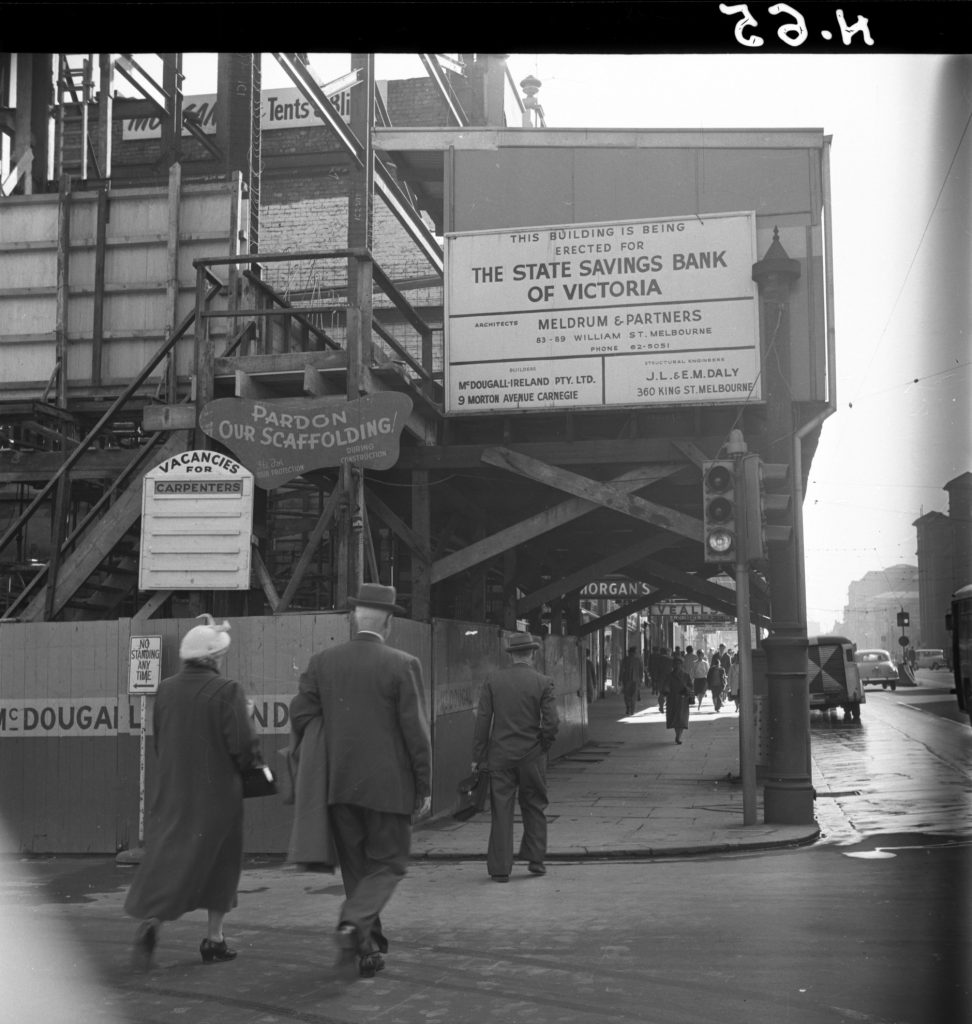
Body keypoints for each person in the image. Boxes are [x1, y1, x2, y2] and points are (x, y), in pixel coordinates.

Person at [290, 583, 432, 979]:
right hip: (389, 789)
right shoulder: (403, 664)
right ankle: (353, 924)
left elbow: (300, 715)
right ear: (388, 622)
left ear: (354, 619)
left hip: (339, 786)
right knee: (388, 863)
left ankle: (367, 948)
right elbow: (415, 734)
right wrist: (423, 785)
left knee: (356, 871)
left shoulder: (322, 662)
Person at [125, 615, 259, 969]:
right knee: (222, 863)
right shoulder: (228, 690)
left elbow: (160, 738)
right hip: (219, 796)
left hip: (174, 790)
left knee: (169, 857)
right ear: (214, 657)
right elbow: (243, 748)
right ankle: (214, 939)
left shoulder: (166, 689)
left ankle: (153, 920)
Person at [471, 632, 560, 882]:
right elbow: (552, 722)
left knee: (501, 810)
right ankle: (535, 859)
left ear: (511, 655)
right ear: (532, 653)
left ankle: (500, 868)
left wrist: (478, 756)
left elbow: (483, 721)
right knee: (534, 804)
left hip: (500, 756)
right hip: (532, 756)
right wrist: (543, 745)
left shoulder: (493, 681)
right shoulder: (543, 682)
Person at [662, 654, 695, 744]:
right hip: (672, 700)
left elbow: (691, 686)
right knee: (675, 719)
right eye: (675, 664)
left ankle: (678, 737)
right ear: (673, 665)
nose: (677, 666)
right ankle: (677, 735)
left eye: (679, 664)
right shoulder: (669, 675)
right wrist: (665, 692)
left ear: (681, 665)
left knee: (682, 719)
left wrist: (687, 689)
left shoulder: (686, 675)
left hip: (683, 700)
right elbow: (665, 686)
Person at [619, 644, 645, 716]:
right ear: (631, 652)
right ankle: (629, 708)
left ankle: (631, 709)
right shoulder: (626, 659)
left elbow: (641, 670)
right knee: (628, 695)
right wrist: (620, 679)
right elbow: (622, 670)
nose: (635, 653)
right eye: (635, 652)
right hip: (629, 680)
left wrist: (641, 679)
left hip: (633, 680)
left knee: (632, 695)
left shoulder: (638, 660)